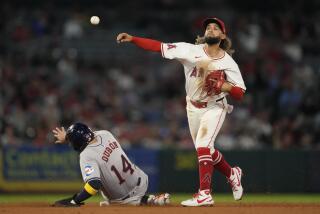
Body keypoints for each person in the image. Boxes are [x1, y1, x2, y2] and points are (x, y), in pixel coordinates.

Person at [116, 17, 246, 207]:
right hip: (193, 106)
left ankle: (204, 194)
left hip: (215, 107)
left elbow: (240, 93)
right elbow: (158, 47)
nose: (210, 29)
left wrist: (223, 85)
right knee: (206, 150)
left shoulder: (228, 62)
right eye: (208, 27)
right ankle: (232, 173)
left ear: (223, 35)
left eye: (215, 28)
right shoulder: (189, 50)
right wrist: (133, 39)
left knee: (203, 145)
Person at [52, 122, 170, 207]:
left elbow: (94, 184)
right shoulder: (105, 134)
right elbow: (87, 136)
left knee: (109, 205)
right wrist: (69, 137)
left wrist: (74, 201)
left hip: (122, 199)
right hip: (141, 180)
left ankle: (145, 200)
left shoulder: (86, 155)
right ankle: (150, 200)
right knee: (107, 203)